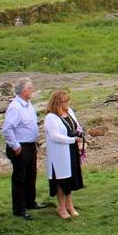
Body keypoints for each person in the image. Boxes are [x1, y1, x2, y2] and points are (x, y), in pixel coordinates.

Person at [2, 77, 41, 220]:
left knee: (31, 174)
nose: (32, 91)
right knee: (20, 178)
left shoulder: (28, 104)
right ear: (24, 91)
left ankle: (30, 202)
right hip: (21, 146)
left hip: (30, 144)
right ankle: (19, 208)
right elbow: (7, 129)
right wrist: (16, 146)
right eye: (30, 88)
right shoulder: (15, 107)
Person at [44, 90, 85, 220]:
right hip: (59, 153)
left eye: (68, 101)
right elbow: (55, 136)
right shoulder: (51, 117)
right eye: (65, 102)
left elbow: (77, 126)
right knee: (61, 180)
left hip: (71, 150)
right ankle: (61, 207)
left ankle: (69, 204)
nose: (67, 103)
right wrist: (72, 140)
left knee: (70, 178)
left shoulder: (69, 112)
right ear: (57, 103)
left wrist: (79, 135)